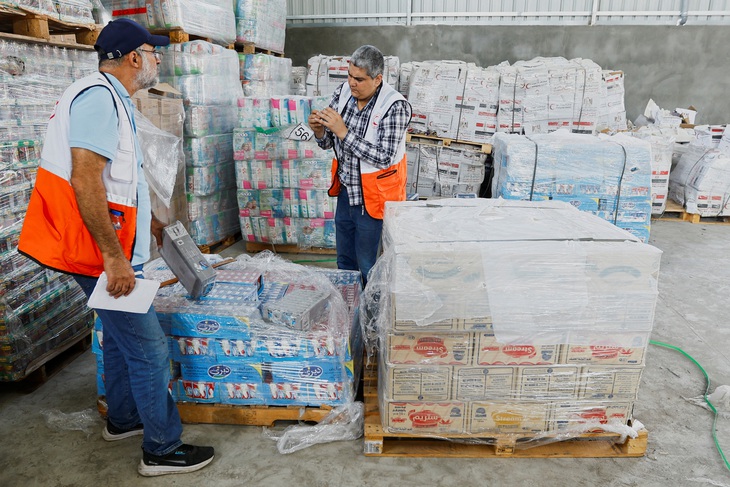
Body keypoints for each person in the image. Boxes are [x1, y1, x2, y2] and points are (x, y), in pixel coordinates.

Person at [17, 19, 214, 477]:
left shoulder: (112, 98)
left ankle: (124, 420)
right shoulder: (98, 99)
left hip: (106, 248)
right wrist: (114, 258)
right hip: (96, 253)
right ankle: (162, 450)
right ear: (132, 58)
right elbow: (84, 179)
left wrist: (156, 225)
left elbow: (117, 184)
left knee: (125, 344)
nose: (158, 58)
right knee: (150, 351)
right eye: (153, 51)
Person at [308, 45, 412, 286]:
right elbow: (327, 144)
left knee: (369, 267)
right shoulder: (343, 93)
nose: (352, 83)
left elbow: (384, 156)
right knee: (344, 262)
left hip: (374, 200)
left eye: (359, 79)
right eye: (349, 75)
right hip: (347, 194)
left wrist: (343, 132)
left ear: (377, 79)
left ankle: (371, 318)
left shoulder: (395, 106)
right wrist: (320, 130)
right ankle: (349, 311)